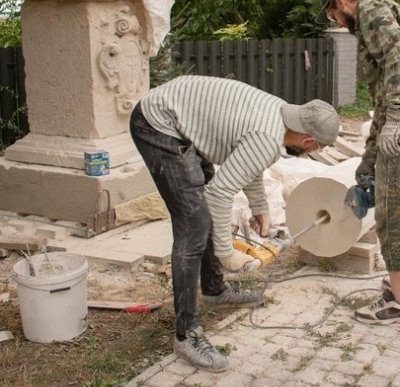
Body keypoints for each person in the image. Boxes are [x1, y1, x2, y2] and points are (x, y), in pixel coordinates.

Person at [129, 75, 340, 370]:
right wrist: (227, 254)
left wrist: (260, 207)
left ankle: (214, 291)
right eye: (316, 149)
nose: (312, 153)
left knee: (202, 213)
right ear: (308, 140)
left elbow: (247, 161)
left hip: (178, 116)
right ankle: (186, 335)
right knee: (194, 223)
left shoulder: (278, 113)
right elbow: (219, 193)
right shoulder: (268, 138)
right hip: (158, 124)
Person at [317, 0, 400, 325]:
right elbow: (383, 96)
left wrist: (397, 117)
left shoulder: (369, 11)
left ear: (341, 2)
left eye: (333, 15)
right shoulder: (389, 9)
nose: (337, 24)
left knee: (392, 220)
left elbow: (398, 59)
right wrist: (368, 157)